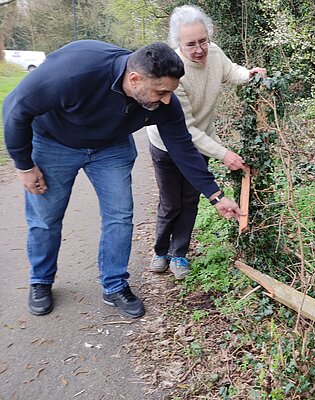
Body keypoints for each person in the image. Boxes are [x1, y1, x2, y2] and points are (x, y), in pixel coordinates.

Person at [2, 40, 244, 319]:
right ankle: (41, 281)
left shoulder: (164, 103)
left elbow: (183, 148)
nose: (166, 100)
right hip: (54, 143)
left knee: (119, 215)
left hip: (111, 148)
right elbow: (16, 107)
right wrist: (24, 165)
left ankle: (114, 285)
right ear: (134, 79)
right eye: (161, 92)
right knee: (46, 217)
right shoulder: (75, 73)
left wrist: (215, 195)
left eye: (170, 92)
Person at [146, 5, 266, 280]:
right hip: (167, 144)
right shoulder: (174, 72)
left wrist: (249, 75)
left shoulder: (213, 52)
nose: (199, 49)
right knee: (170, 202)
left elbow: (229, 70)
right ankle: (160, 251)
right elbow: (185, 132)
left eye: (203, 40)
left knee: (190, 200)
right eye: (191, 44)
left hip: (202, 142)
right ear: (178, 43)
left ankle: (179, 254)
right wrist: (224, 154)